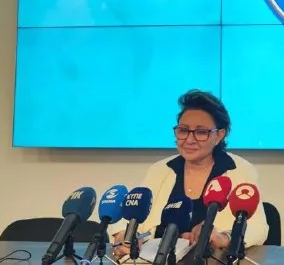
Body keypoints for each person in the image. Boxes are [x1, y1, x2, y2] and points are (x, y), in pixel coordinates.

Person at [109, 89, 269, 259]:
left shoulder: (238, 169)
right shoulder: (160, 170)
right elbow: (131, 216)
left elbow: (258, 228)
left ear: (219, 135)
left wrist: (224, 237)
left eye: (201, 132)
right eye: (183, 130)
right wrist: (124, 235)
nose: (189, 140)